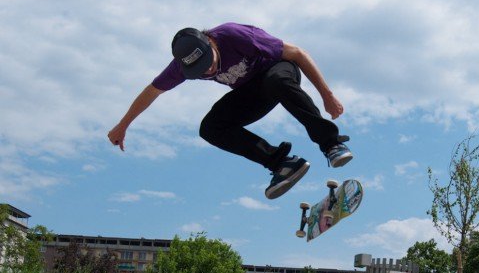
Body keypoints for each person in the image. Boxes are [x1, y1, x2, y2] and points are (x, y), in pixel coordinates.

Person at [108, 23, 353, 199]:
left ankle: (331, 144)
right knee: (211, 128)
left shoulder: (236, 35)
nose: (207, 72)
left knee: (275, 81)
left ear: (210, 43)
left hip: (279, 70)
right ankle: (283, 164)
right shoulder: (180, 67)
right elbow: (152, 91)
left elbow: (298, 53)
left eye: (209, 64)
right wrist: (123, 124)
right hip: (252, 92)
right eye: (200, 72)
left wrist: (326, 95)